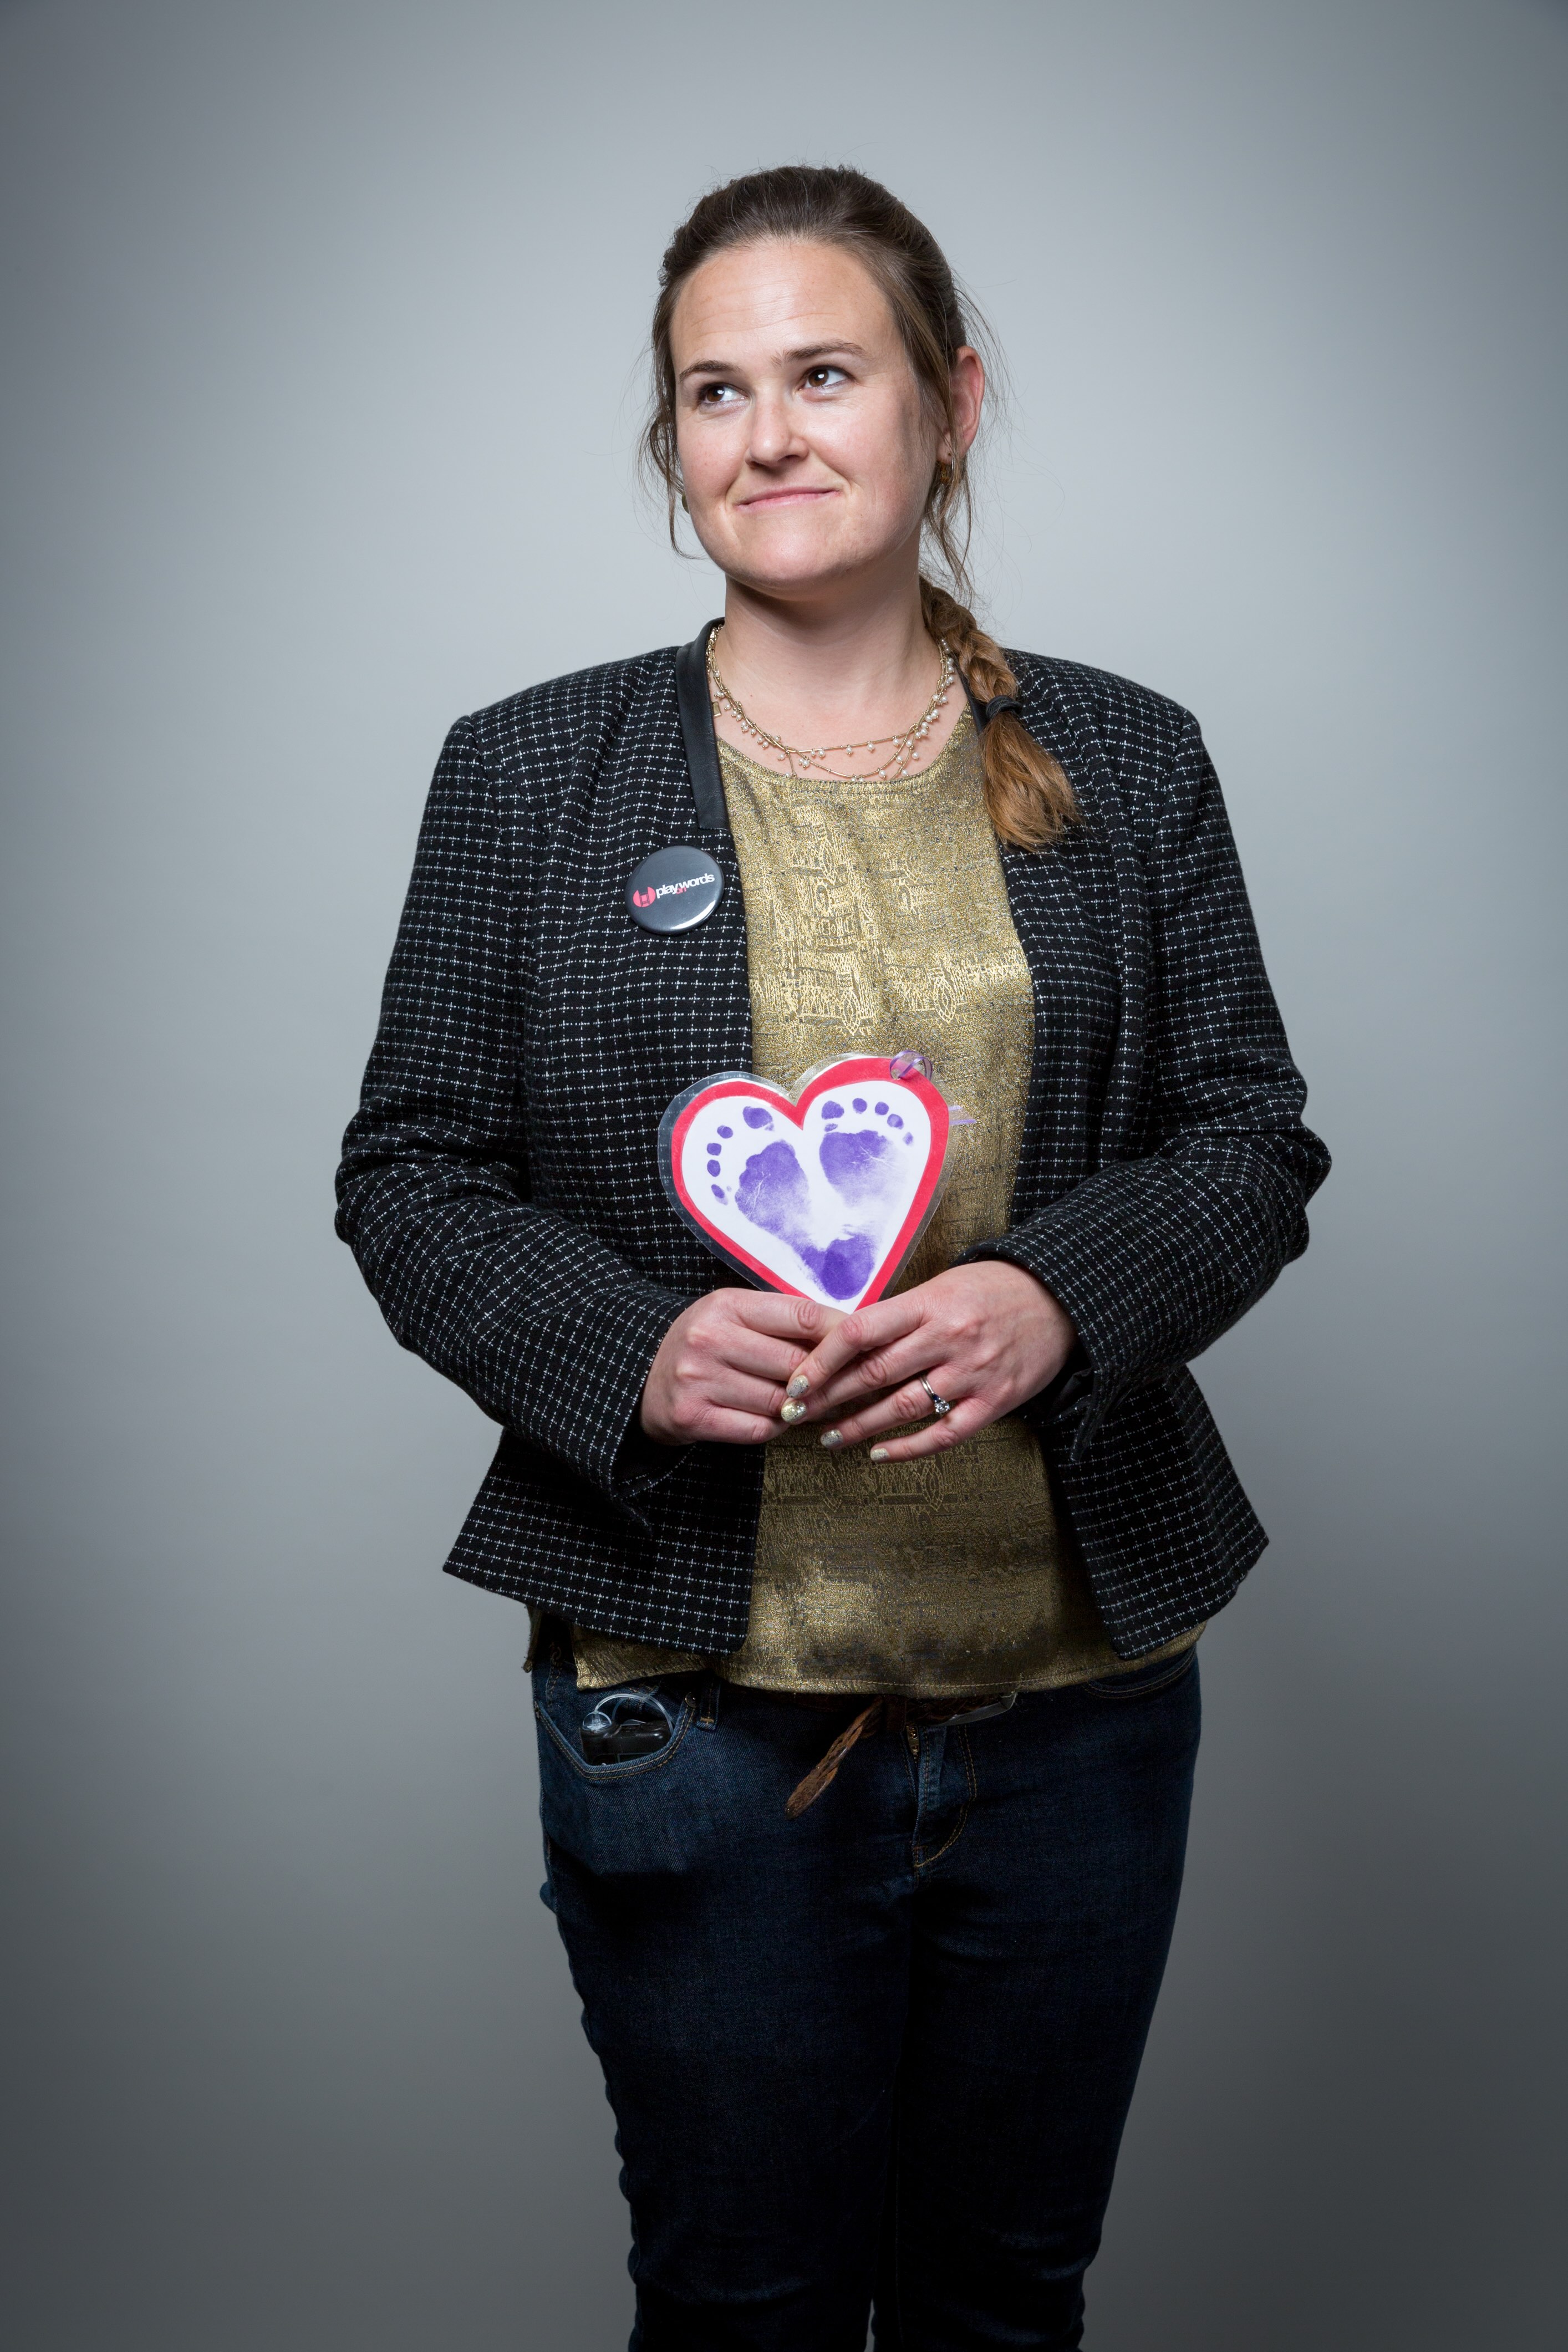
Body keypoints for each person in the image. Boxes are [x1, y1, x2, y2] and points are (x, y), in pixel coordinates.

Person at [337, 164, 1330, 2350]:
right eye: (712, 387)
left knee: (1003, 2296)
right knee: (745, 2304)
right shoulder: (524, 777)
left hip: (1078, 1701)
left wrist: (1055, 1291)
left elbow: (1248, 1138)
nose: (765, 431)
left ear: (943, 403)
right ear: (671, 441)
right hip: (687, 1708)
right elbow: (408, 1172)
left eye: (821, 371)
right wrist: (628, 1344)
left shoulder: (1126, 758)